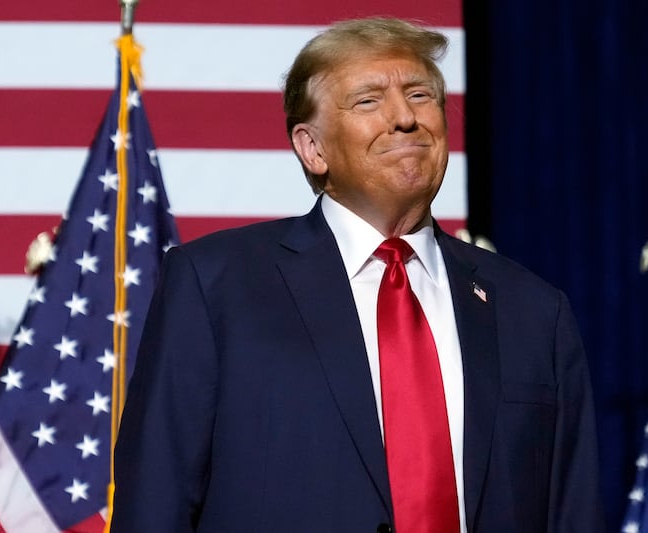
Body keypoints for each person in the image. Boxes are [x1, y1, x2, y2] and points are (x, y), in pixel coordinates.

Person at [110, 17, 603, 533]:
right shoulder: (215, 286)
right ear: (312, 148)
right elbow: (154, 504)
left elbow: (572, 511)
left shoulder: (534, 309)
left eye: (419, 95)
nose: (404, 118)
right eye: (368, 100)